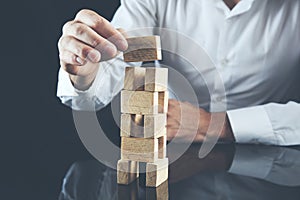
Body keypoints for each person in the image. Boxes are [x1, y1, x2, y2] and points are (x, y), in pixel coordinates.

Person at [57, 0, 300, 145]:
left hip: (275, 165)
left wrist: (216, 125)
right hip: (171, 158)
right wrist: (86, 72)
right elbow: (111, 71)